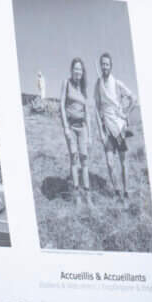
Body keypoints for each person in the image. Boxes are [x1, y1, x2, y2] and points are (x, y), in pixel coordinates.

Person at [96, 50, 137, 200]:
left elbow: (133, 98)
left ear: (111, 66)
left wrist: (125, 113)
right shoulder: (98, 84)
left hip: (119, 128)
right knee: (109, 163)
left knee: (123, 162)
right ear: (101, 66)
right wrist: (100, 130)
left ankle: (126, 192)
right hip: (107, 129)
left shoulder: (117, 83)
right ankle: (116, 191)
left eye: (107, 64)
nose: (105, 67)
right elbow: (96, 107)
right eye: (103, 64)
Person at [62, 57, 92, 205]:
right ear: (72, 70)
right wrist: (66, 128)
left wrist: (90, 136)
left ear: (82, 71)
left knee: (84, 160)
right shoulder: (66, 83)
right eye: (75, 68)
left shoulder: (84, 89)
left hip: (83, 128)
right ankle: (77, 197)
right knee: (74, 158)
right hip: (71, 127)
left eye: (80, 69)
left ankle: (88, 195)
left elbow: (88, 114)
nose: (77, 71)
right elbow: (61, 106)